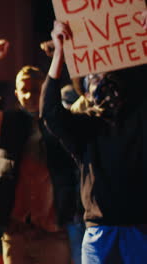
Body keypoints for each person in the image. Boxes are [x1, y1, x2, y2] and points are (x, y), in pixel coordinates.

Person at [41, 20, 147, 264]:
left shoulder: (141, 118)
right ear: (87, 93)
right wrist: (59, 54)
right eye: (95, 80)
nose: (103, 84)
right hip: (102, 231)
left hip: (139, 229)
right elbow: (50, 113)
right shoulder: (86, 125)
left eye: (109, 78)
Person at [0, 65, 77, 264]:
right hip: (16, 233)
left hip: (54, 232)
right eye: (25, 90)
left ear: (47, 91)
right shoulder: (3, 123)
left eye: (37, 89)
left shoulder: (63, 124)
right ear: (16, 93)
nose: (30, 95)